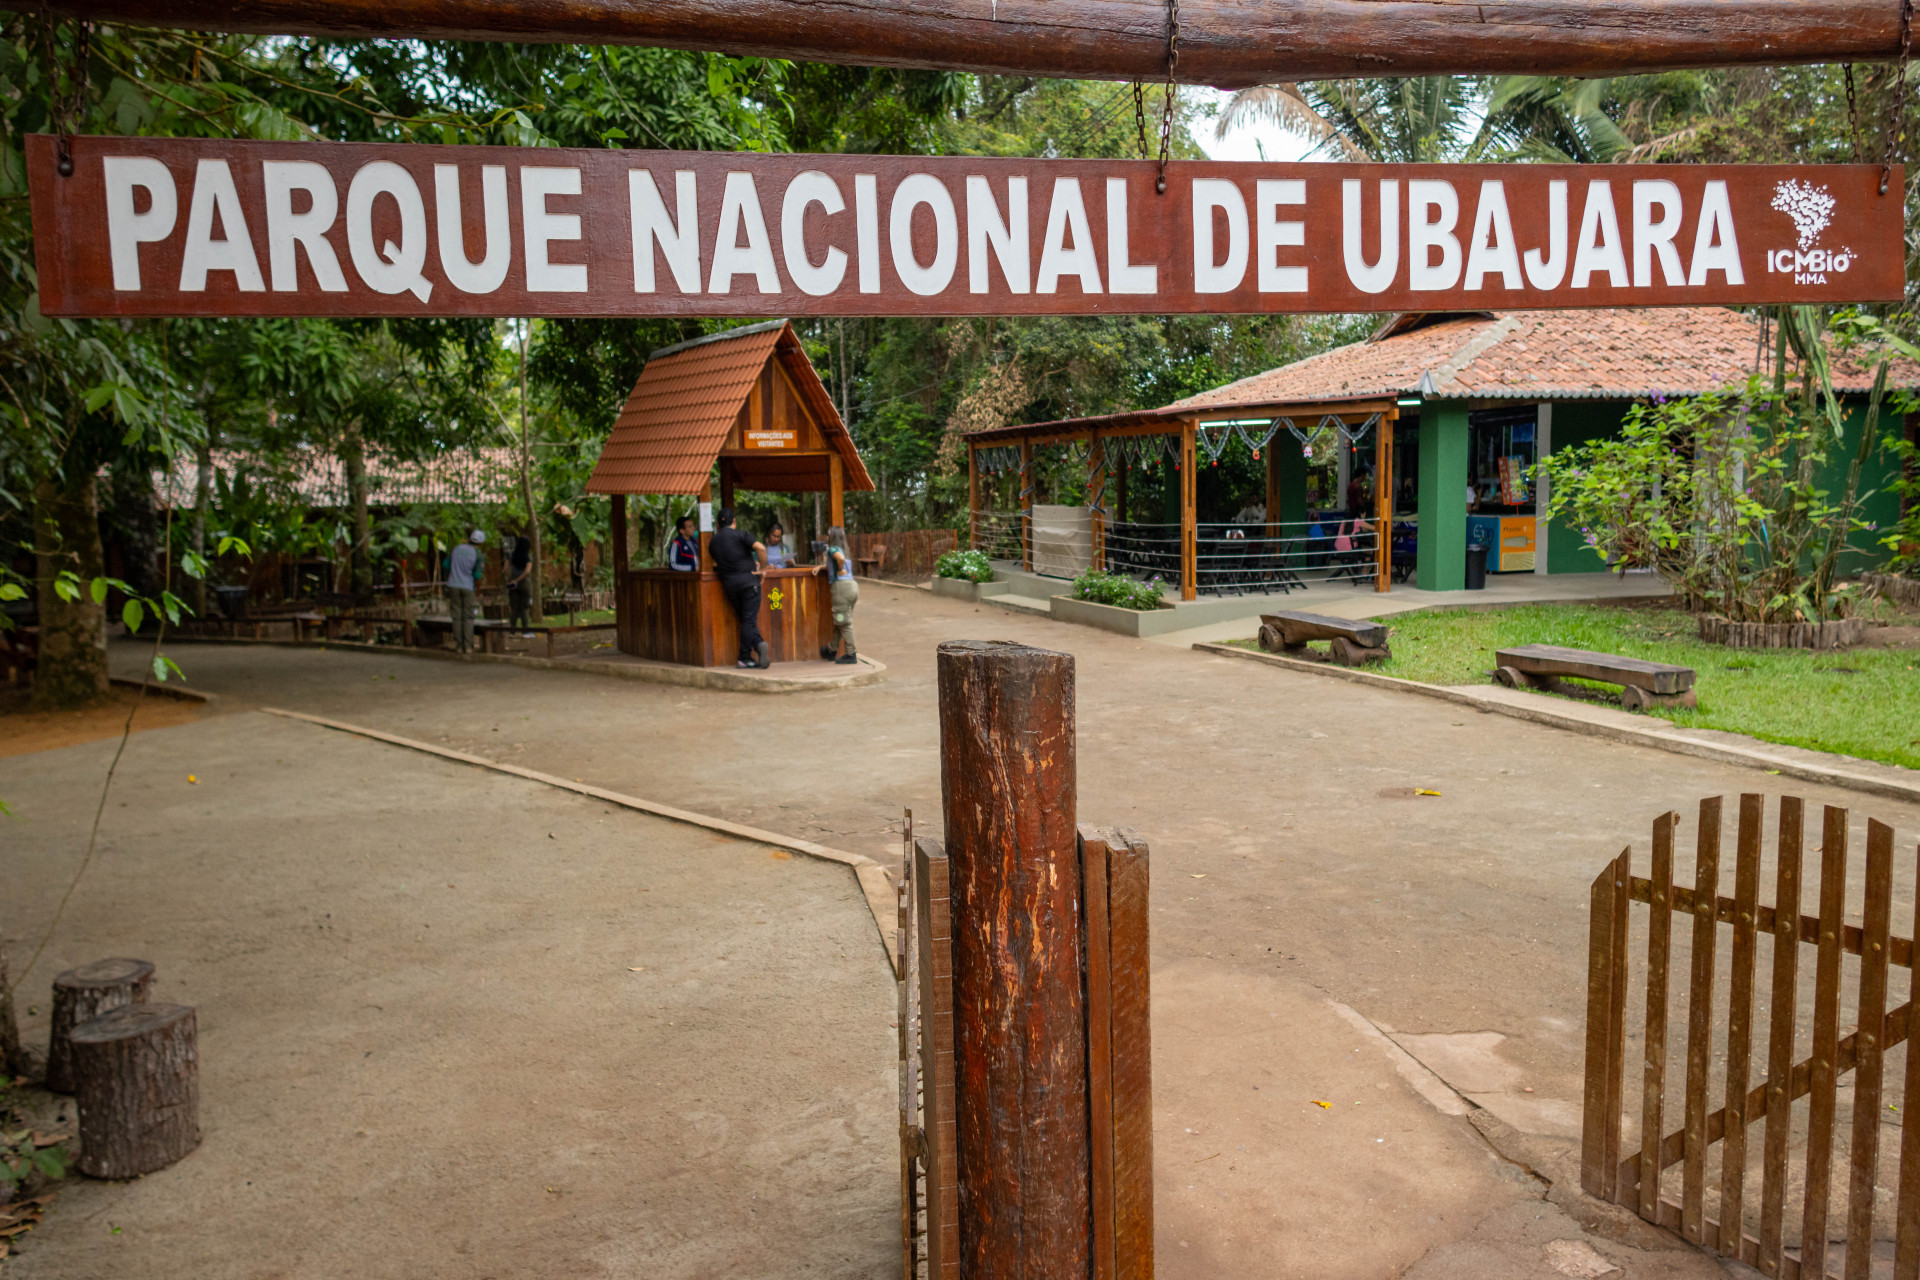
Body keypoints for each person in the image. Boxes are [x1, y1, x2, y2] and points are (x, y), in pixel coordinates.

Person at [708, 507, 770, 669]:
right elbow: (761, 548)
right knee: (749, 621)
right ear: (734, 521)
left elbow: (715, 562)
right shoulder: (741, 534)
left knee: (746, 620)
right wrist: (763, 569)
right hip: (749, 584)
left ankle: (758, 644)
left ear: (717, 525)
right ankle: (744, 657)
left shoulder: (713, 541)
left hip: (730, 586)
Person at [818, 525, 859, 665]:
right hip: (852, 587)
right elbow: (837, 562)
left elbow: (839, 559)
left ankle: (851, 654)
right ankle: (832, 649)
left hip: (841, 589)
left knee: (844, 622)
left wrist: (840, 569)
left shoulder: (832, 549)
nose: (827, 537)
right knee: (840, 620)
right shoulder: (844, 549)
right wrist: (821, 567)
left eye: (828, 534)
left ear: (833, 536)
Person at [447, 528, 485, 653]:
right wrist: (477, 591)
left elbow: (445, 565)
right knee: (468, 617)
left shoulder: (456, 549)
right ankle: (468, 646)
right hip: (468, 587)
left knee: (456, 617)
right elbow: (478, 576)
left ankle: (458, 646)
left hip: (453, 585)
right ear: (479, 543)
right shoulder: (478, 554)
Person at [506, 533, 533, 631]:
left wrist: (511, 580)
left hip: (512, 583)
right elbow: (527, 571)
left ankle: (512, 629)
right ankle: (525, 630)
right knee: (524, 608)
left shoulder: (511, 554)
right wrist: (519, 579)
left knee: (514, 607)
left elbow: (506, 568)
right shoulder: (527, 556)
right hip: (525, 583)